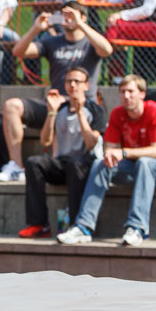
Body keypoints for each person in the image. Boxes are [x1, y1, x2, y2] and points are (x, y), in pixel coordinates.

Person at [0, 1, 112, 181]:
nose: (68, 19)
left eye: (72, 15)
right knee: (11, 106)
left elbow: (107, 50)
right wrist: (35, 29)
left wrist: (81, 25)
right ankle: (16, 166)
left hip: (82, 107)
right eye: (64, 16)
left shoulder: (91, 42)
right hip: (55, 104)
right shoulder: (52, 42)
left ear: (83, 18)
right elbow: (19, 52)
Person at [58, 74, 156, 247]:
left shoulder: (155, 111)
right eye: (123, 92)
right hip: (133, 168)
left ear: (142, 94)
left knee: (145, 162)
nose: (126, 96)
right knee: (100, 163)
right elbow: (109, 148)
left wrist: (124, 152)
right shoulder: (117, 113)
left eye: (131, 91)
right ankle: (83, 227)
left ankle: (138, 228)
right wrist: (109, 154)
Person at [18, 67, 106, 238]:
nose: (72, 85)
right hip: (62, 163)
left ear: (86, 85)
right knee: (34, 163)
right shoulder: (60, 108)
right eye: (69, 81)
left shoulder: (96, 110)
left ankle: (77, 225)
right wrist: (51, 112)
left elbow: (91, 145)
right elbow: (45, 141)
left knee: (75, 165)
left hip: (84, 165)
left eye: (77, 81)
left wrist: (80, 112)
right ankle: (39, 224)